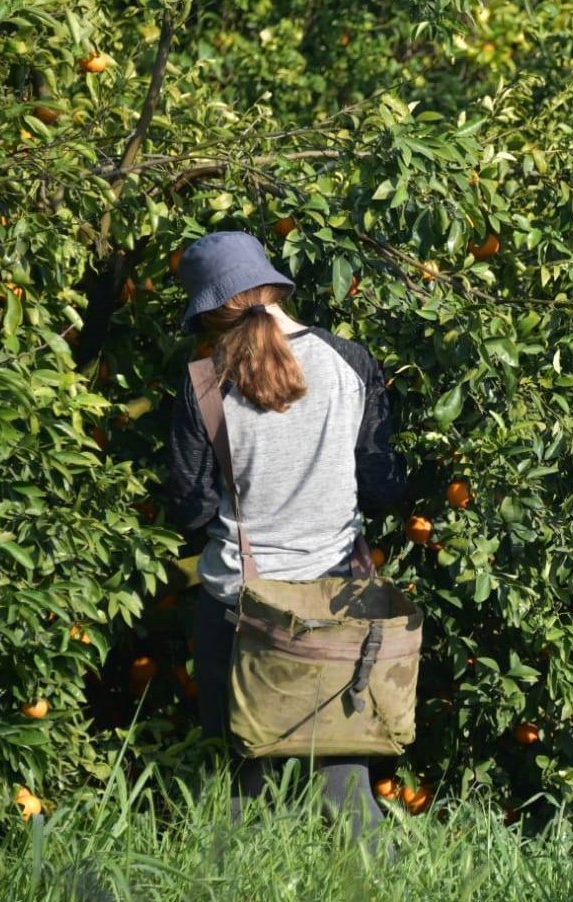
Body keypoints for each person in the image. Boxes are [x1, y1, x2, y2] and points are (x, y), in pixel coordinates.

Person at [166, 231, 406, 839]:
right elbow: (381, 483)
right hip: (336, 600)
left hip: (238, 606)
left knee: (242, 779)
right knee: (345, 780)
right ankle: (379, 883)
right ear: (274, 285)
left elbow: (190, 506)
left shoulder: (203, 383)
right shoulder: (349, 360)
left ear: (210, 309)